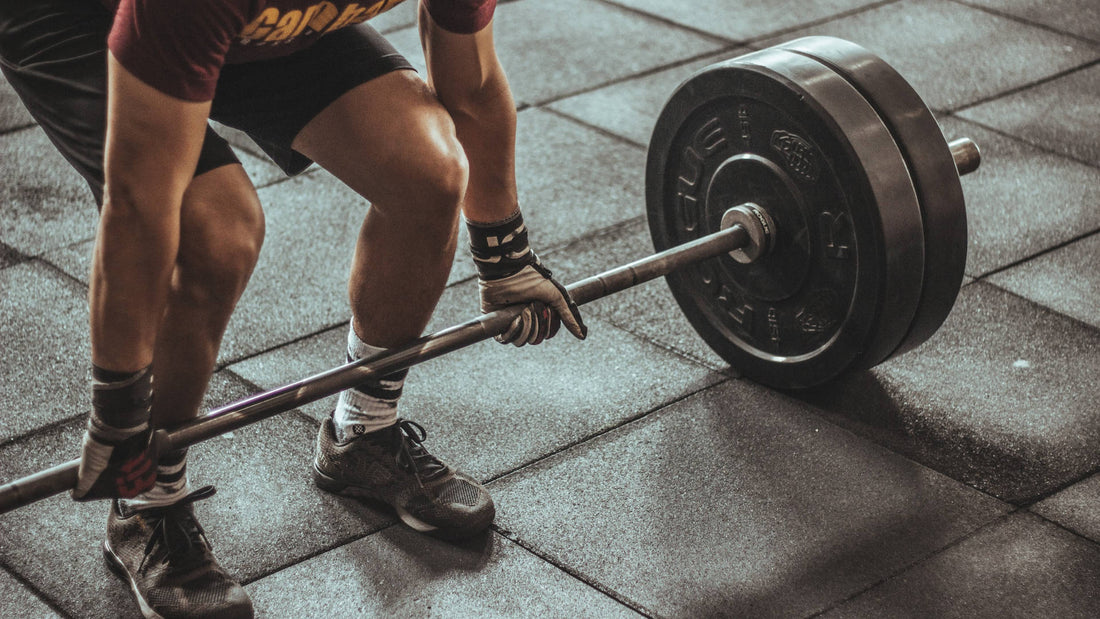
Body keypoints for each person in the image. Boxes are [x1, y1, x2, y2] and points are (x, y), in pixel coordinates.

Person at [0, 0, 587, 616]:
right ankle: (146, 500)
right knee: (213, 232)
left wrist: (506, 258)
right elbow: (141, 206)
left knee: (428, 170)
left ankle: (362, 432)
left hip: (250, 23)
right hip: (78, 19)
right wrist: (120, 412)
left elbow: (473, 85)